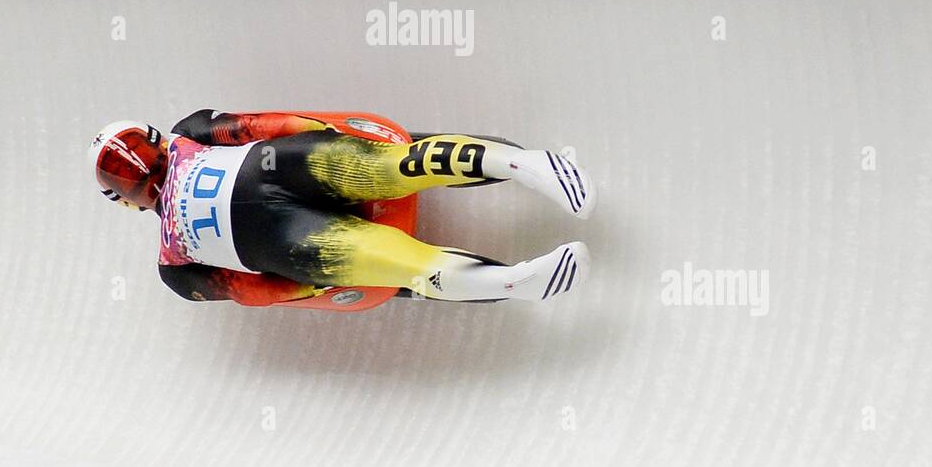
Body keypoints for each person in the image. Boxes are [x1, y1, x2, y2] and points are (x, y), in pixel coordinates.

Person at [88, 109, 594, 306]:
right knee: (398, 192)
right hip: (286, 197)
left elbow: (252, 292)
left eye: (140, 160)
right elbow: (262, 126)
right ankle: (514, 269)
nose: (145, 174)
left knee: (396, 205)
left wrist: (305, 285)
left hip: (283, 203)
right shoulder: (174, 267)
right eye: (131, 178)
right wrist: (313, 130)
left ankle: (522, 179)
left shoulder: (175, 263)